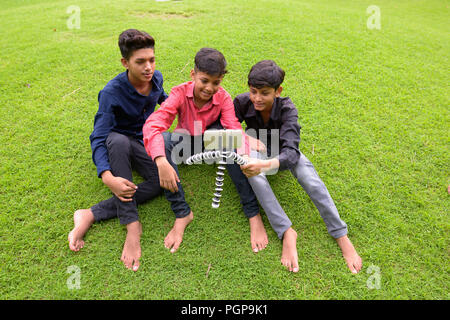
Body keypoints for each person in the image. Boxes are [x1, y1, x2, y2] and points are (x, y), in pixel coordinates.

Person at [234, 60, 363, 274]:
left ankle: (340, 234)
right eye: (253, 91)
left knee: (308, 177)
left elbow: (292, 152)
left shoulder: (287, 109)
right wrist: (244, 140)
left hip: (282, 151)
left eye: (264, 93)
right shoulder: (241, 102)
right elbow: (226, 124)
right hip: (254, 145)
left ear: (278, 91)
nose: (257, 98)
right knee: (253, 175)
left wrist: (265, 164)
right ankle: (286, 231)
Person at [142, 48, 269, 254]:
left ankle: (253, 213)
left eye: (216, 82)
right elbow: (154, 124)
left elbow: (233, 127)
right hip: (184, 146)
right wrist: (161, 161)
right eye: (204, 81)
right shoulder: (179, 93)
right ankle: (182, 213)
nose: (209, 88)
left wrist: (244, 155)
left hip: (210, 144)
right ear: (193, 75)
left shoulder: (224, 98)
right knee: (164, 140)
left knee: (229, 140)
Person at [68, 29, 168, 272]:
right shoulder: (111, 93)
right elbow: (99, 137)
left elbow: (164, 101)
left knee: (162, 181)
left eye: (152, 60)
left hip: (142, 143)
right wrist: (107, 176)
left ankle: (90, 214)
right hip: (117, 145)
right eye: (140, 62)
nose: (148, 67)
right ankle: (132, 225)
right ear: (125, 62)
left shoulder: (156, 79)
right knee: (118, 140)